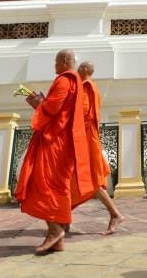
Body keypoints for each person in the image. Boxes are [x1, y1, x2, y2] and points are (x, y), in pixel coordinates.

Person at [14, 49, 94, 255]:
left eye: (56, 62)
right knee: (57, 186)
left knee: (43, 183)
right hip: (65, 142)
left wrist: (38, 104)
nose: (54, 66)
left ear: (66, 61)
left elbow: (52, 109)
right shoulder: (76, 82)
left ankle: (55, 231)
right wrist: (43, 104)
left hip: (54, 142)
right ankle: (56, 238)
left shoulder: (64, 81)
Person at [74, 61, 124, 234]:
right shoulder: (88, 86)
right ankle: (61, 219)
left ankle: (115, 213)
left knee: (91, 179)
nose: (77, 70)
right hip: (85, 136)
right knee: (74, 177)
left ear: (87, 70)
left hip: (85, 137)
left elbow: (83, 112)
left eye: (80, 68)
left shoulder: (86, 86)